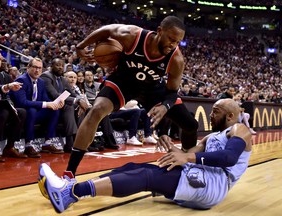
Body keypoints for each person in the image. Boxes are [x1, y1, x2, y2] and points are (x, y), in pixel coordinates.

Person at [38, 98, 252, 213]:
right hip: (199, 179)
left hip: (214, 184)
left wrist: (186, 158)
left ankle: (70, 193)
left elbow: (228, 158)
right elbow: (187, 155)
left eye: (215, 111)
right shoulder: (210, 138)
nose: (211, 114)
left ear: (230, 116)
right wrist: (173, 149)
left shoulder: (239, 130)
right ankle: (75, 190)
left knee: (146, 178)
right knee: (135, 167)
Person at [64, 15, 198, 176]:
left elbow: (171, 92)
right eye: (171, 39)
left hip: (152, 90)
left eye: (178, 42)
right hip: (123, 81)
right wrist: (81, 46)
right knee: (96, 110)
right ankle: (69, 172)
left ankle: (187, 163)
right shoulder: (133, 36)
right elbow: (107, 30)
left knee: (191, 125)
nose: (173, 45)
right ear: (159, 31)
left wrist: (165, 106)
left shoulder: (176, 59)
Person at [10, 58, 65, 157]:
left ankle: (47, 142)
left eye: (40, 68)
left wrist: (54, 103)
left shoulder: (41, 82)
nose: (37, 70)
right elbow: (22, 102)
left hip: (35, 112)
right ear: (28, 68)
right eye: (35, 67)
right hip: (21, 113)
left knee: (54, 110)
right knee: (31, 110)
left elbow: (44, 98)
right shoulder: (21, 80)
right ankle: (28, 145)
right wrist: (45, 104)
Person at [40, 58, 90, 152]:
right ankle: (70, 142)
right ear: (51, 66)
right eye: (58, 65)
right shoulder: (46, 76)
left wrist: (79, 101)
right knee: (70, 106)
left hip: (62, 105)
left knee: (80, 107)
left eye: (62, 66)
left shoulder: (62, 79)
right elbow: (54, 95)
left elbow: (73, 93)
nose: (60, 67)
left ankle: (79, 141)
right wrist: (76, 101)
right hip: (50, 106)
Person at [0, 49, 27, 162]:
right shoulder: (7, 81)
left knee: (21, 112)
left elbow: (8, 97)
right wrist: (6, 87)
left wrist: (12, 106)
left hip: (2, 106)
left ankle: (9, 147)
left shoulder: (4, 76)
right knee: (4, 112)